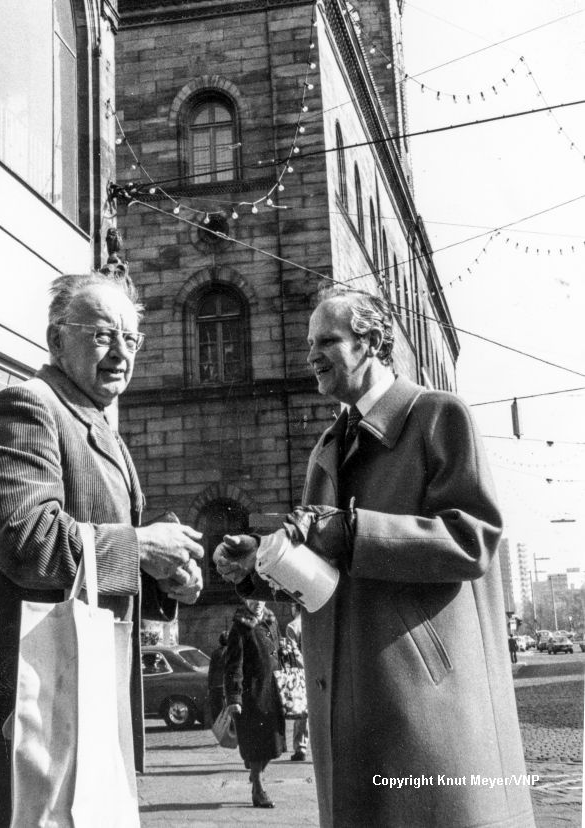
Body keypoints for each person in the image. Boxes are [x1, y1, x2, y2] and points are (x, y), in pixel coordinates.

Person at [215, 286, 535, 828]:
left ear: (370, 343)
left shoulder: (437, 416)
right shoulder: (328, 445)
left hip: (420, 695)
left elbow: (473, 539)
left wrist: (352, 530)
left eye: (327, 341)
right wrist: (261, 564)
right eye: (310, 344)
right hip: (343, 695)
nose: (312, 355)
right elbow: (322, 569)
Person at [0, 271, 204, 828]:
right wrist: (140, 547)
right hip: (18, 723)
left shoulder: (95, 422)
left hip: (75, 711)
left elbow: (90, 555)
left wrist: (164, 577)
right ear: (57, 339)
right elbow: (24, 539)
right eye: (103, 335)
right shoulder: (27, 407)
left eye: (131, 339)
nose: (121, 353)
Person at [223, 599, 286, 810]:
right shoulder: (239, 628)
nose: (257, 602)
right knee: (257, 744)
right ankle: (258, 790)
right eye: (252, 598)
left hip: (271, 690)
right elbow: (233, 665)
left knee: (273, 741)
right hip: (251, 695)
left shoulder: (270, 621)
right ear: (244, 599)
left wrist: (284, 654)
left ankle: (255, 771)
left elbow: (275, 652)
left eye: (260, 598)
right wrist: (234, 697)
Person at [285, 603, 309, 762]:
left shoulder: (292, 626)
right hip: (318, 669)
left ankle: (300, 747)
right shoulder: (314, 622)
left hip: (301, 672)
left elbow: (293, 653)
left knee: (302, 711)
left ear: (294, 608)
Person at [207, 630, 229, 723]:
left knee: (217, 710)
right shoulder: (231, 652)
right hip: (226, 684)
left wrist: (209, 686)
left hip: (216, 685)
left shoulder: (215, 652)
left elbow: (211, 670)